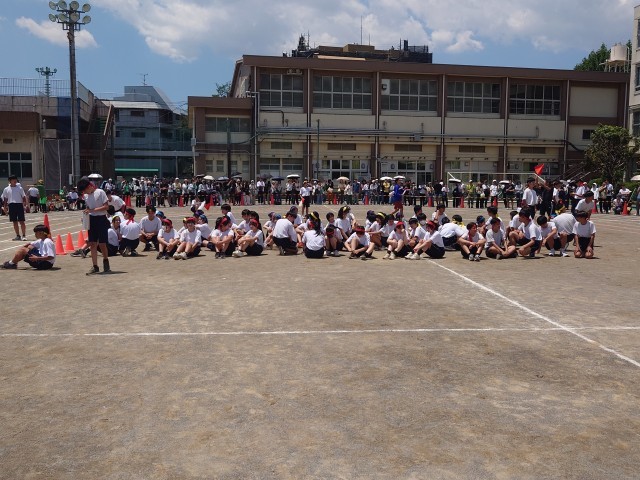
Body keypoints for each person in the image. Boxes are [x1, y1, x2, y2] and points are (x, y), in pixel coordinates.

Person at [77, 177, 111, 275]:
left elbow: (106, 207)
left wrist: (92, 210)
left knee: (102, 243)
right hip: (92, 220)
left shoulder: (100, 192)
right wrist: (86, 215)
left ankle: (105, 260)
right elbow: (88, 208)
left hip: (101, 219)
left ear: (89, 187)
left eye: (84, 190)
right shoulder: (86, 196)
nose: (84, 193)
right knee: (92, 243)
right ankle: (95, 266)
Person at [2, 175, 28, 241]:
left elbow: (23, 197)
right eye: (13, 179)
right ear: (10, 181)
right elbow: (5, 198)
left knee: (21, 221)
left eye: (15, 179)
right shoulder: (6, 189)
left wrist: (25, 205)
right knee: (14, 221)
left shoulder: (20, 188)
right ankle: (18, 235)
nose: (15, 180)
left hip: (19, 205)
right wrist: (5, 207)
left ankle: (24, 235)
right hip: (11, 205)